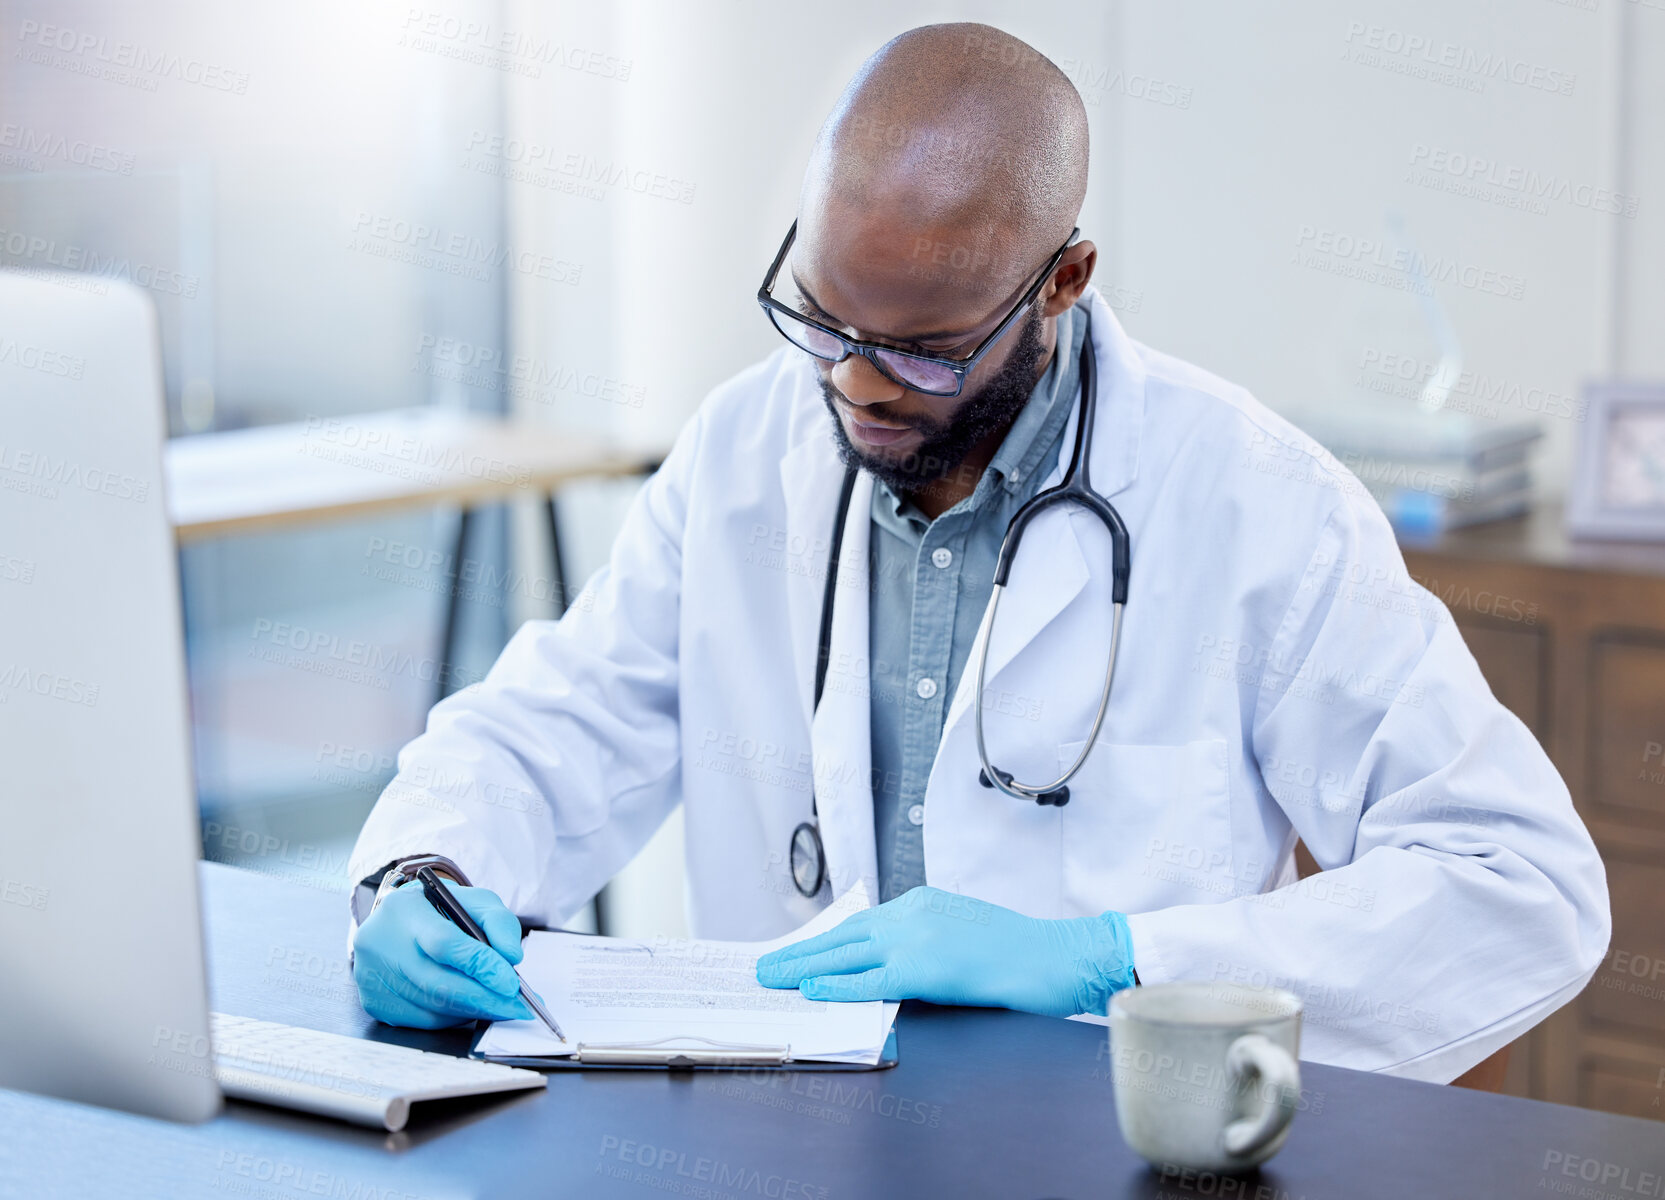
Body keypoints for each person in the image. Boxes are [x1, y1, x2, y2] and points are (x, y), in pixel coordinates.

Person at [345, 23, 1609, 1080]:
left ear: (1062, 283)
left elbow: (1520, 887)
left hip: (1097, 1136)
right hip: (782, 1132)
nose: (855, 384)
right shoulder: (746, 452)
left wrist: (1119, 960)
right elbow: (556, 725)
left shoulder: (1256, 505)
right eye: (822, 316)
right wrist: (428, 866)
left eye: (922, 348)